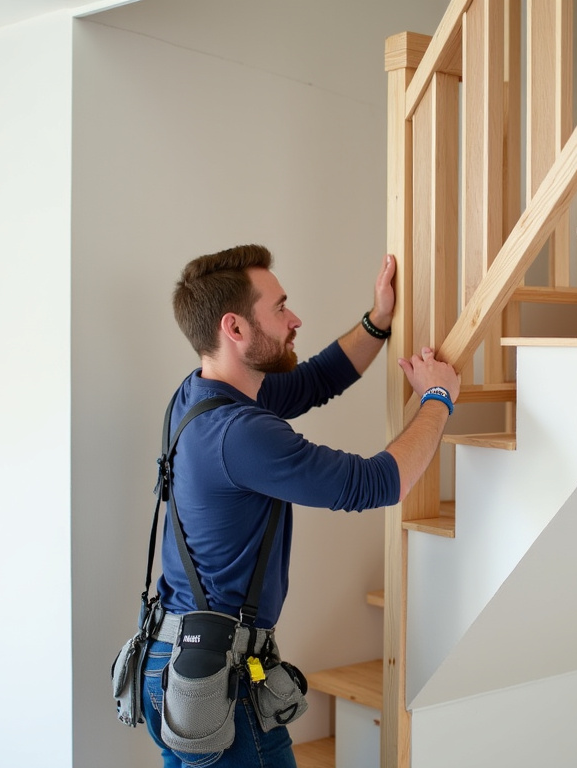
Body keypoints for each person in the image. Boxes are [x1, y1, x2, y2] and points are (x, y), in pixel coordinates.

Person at [140, 244, 460, 768]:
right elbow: (376, 483)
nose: (295, 319)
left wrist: (378, 321)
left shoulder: (201, 394)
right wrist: (437, 400)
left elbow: (313, 381)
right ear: (235, 328)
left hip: (175, 661)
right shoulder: (240, 435)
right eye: (280, 307)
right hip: (221, 680)